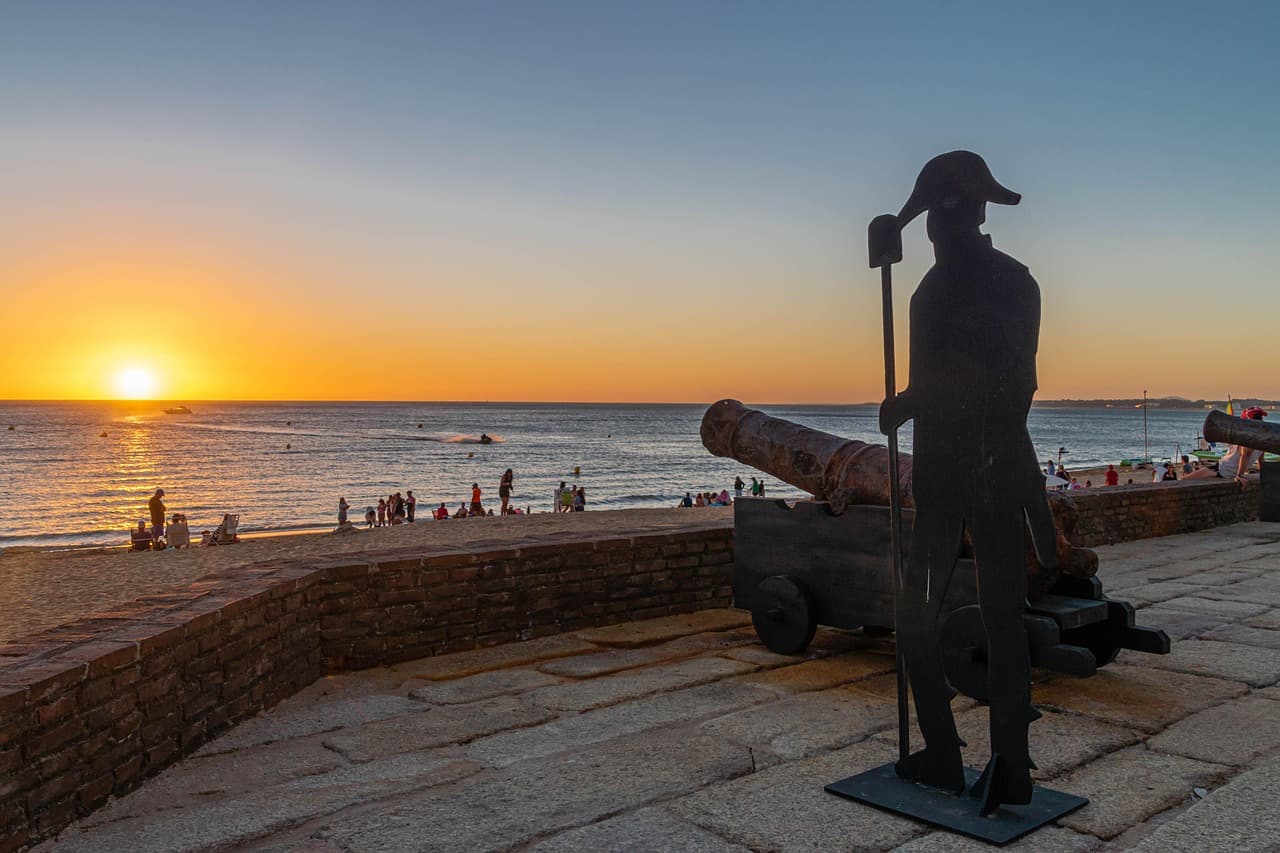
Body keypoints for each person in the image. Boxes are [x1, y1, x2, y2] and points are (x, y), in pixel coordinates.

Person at [877, 151, 1056, 809]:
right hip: (962, 475)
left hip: (981, 470)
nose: (931, 228)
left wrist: (911, 401)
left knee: (983, 617)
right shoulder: (940, 290)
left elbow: (1005, 382)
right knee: (952, 616)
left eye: (934, 214)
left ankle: (999, 759)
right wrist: (913, 400)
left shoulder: (990, 287)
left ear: (956, 216)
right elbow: (967, 379)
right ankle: (957, 755)